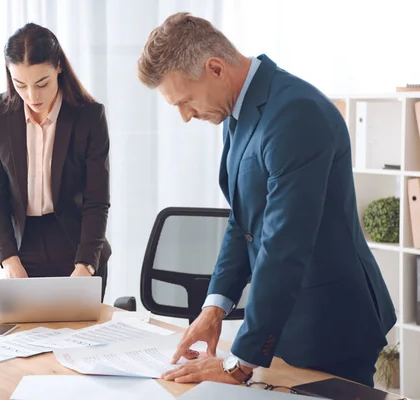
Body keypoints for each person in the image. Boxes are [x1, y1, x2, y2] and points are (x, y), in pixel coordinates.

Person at [137, 12, 396, 387]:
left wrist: (237, 364)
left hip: (330, 322)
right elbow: (243, 220)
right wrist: (215, 307)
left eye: (186, 101)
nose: (185, 116)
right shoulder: (235, 110)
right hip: (286, 321)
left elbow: (284, 243)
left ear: (215, 69)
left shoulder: (295, 114)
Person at [0, 23, 111, 299]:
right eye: (20, 85)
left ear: (59, 67)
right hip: (19, 247)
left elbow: (96, 200)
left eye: (42, 83)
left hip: (76, 245)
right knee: (21, 340)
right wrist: (9, 260)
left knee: (80, 338)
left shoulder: (89, 116)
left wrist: (85, 266)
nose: (32, 96)